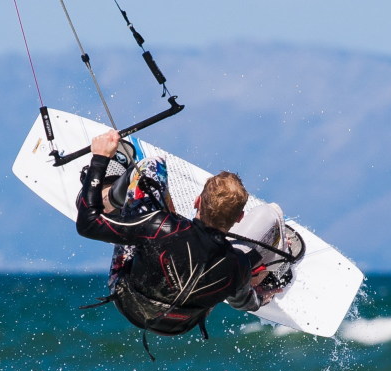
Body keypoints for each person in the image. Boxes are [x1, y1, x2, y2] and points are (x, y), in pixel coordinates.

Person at [76, 129, 282, 350]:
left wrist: (100, 158)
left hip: (128, 302)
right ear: (239, 218)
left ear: (196, 202)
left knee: (150, 167)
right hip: (179, 326)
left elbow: (87, 224)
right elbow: (242, 302)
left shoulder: (159, 226)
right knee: (272, 214)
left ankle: (107, 195)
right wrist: (262, 296)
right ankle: (266, 273)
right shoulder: (238, 265)